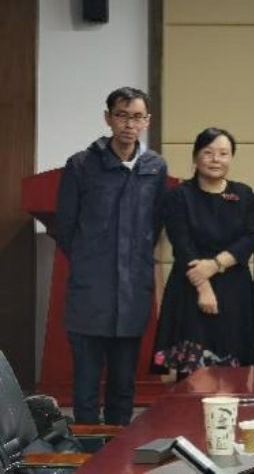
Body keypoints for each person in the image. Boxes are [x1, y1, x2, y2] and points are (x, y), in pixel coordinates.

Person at [55, 86, 168, 424]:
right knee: (86, 385)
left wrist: (134, 260)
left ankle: (118, 449)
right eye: (121, 115)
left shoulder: (155, 167)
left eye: (137, 117)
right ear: (108, 118)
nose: (129, 125)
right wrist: (90, 260)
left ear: (147, 121)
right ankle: (88, 451)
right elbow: (65, 227)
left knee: (123, 385)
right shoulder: (81, 165)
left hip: (132, 292)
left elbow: (155, 224)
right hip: (90, 291)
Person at [152, 128, 254, 378]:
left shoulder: (243, 194)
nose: (215, 159)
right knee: (194, 377)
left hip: (234, 290)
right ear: (195, 157)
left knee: (234, 376)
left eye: (223, 153)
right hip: (191, 288)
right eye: (208, 153)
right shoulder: (179, 195)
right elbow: (182, 243)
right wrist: (203, 287)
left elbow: (252, 237)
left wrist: (215, 264)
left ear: (231, 158)